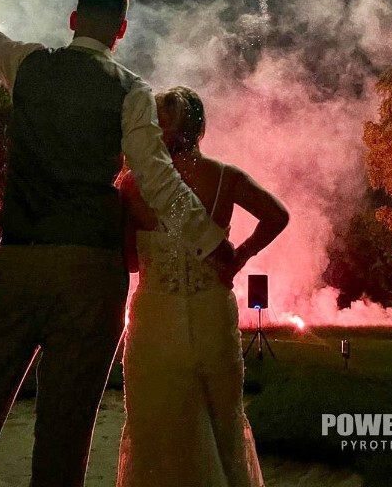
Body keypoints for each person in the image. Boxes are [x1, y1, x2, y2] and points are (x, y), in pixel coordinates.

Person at [0, 0, 234, 487]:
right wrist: (211, 241)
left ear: (73, 20)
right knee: (65, 436)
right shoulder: (132, 90)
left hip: (16, 264)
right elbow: (157, 177)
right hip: (90, 274)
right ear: (121, 31)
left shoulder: (30, 64)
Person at [117, 86, 289, 487]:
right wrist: (240, 256)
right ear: (200, 128)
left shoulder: (133, 184)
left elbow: (128, 262)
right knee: (222, 420)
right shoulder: (225, 177)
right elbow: (276, 215)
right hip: (212, 311)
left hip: (156, 320)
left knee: (153, 424)